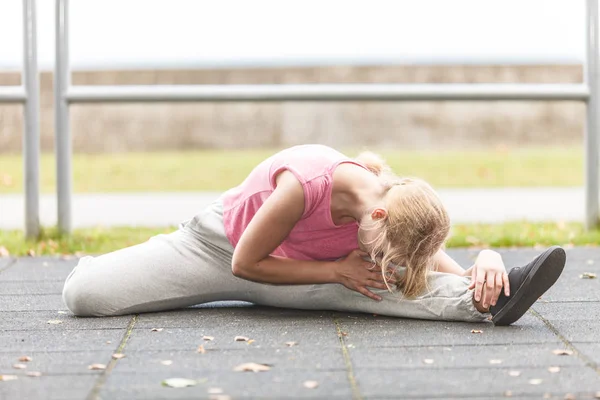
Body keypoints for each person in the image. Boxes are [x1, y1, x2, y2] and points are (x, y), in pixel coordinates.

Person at [62, 144, 566, 325]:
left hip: (297, 276)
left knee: (381, 284)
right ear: (381, 220)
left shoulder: (387, 207)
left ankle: (492, 300)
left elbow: (424, 260)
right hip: (218, 250)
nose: (393, 261)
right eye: (391, 252)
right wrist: (334, 270)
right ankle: (108, 266)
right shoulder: (305, 184)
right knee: (84, 295)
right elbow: (243, 264)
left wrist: (489, 261)